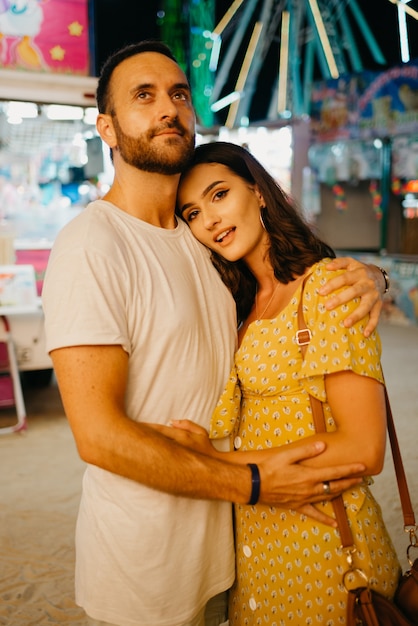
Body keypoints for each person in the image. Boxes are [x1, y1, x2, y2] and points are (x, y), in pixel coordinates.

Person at [42, 41, 388, 626]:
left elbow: (291, 298)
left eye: (178, 94)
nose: (167, 109)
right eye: (143, 96)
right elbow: (98, 436)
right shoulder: (90, 246)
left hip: (227, 552)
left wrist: (374, 277)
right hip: (145, 566)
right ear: (106, 126)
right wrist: (251, 479)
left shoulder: (200, 246)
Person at [169, 140, 401, 625]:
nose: (208, 220)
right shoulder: (237, 308)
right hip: (256, 545)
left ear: (257, 192)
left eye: (218, 195)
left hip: (324, 549)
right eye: (192, 212)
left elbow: (363, 447)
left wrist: (217, 465)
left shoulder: (325, 289)